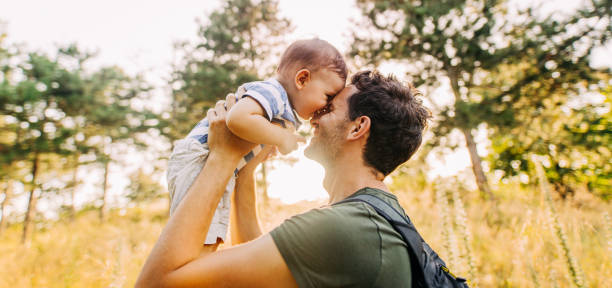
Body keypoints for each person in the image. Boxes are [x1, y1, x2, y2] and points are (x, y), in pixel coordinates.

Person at [137, 70, 431, 287]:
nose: (313, 116)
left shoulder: (345, 228)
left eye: (328, 108)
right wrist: (245, 171)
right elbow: (261, 269)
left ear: (358, 128)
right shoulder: (373, 218)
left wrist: (222, 158)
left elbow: (156, 284)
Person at [166, 39, 347, 246]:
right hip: (199, 158)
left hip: (213, 166)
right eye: (328, 96)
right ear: (302, 79)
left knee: (209, 238)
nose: (325, 107)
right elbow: (237, 118)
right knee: (196, 240)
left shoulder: (282, 106)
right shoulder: (273, 92)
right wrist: (281, 137)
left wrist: (265, 140)